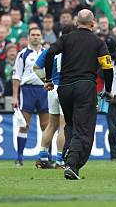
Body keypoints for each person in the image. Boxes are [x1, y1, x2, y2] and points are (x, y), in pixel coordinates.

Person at [43, 9, 114, 180]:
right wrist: (109, 90)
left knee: (70, 125)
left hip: (64, 88)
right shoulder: (98, 42)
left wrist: (48, 78)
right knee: (83, 128)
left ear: (76, 23)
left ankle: (67, 157)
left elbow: (50, 53)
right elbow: (108, 67)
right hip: (85, 87)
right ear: (93, 23)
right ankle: (72, 164)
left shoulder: (66, 39)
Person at [33, 24, 78, 169]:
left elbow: (36, 67)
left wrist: (46, 81)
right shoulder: (74, 51)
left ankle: (42, 157)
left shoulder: (51, 50)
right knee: (63, 126)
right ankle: (60, 160)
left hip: (52, 89)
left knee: (51, 125)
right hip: (65, 88)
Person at [11, 27, 48, 167]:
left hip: (44, 89)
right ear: (28, 37)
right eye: (33, 35)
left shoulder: (47, 53)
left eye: (38, 35)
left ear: (41, 37)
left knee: (46, 126)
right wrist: (15, 96)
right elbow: (16, 76)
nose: (36, 37)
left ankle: (46, 157)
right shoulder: (22, 54)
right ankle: (19, 157)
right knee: (24, 124)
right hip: (28, 90)